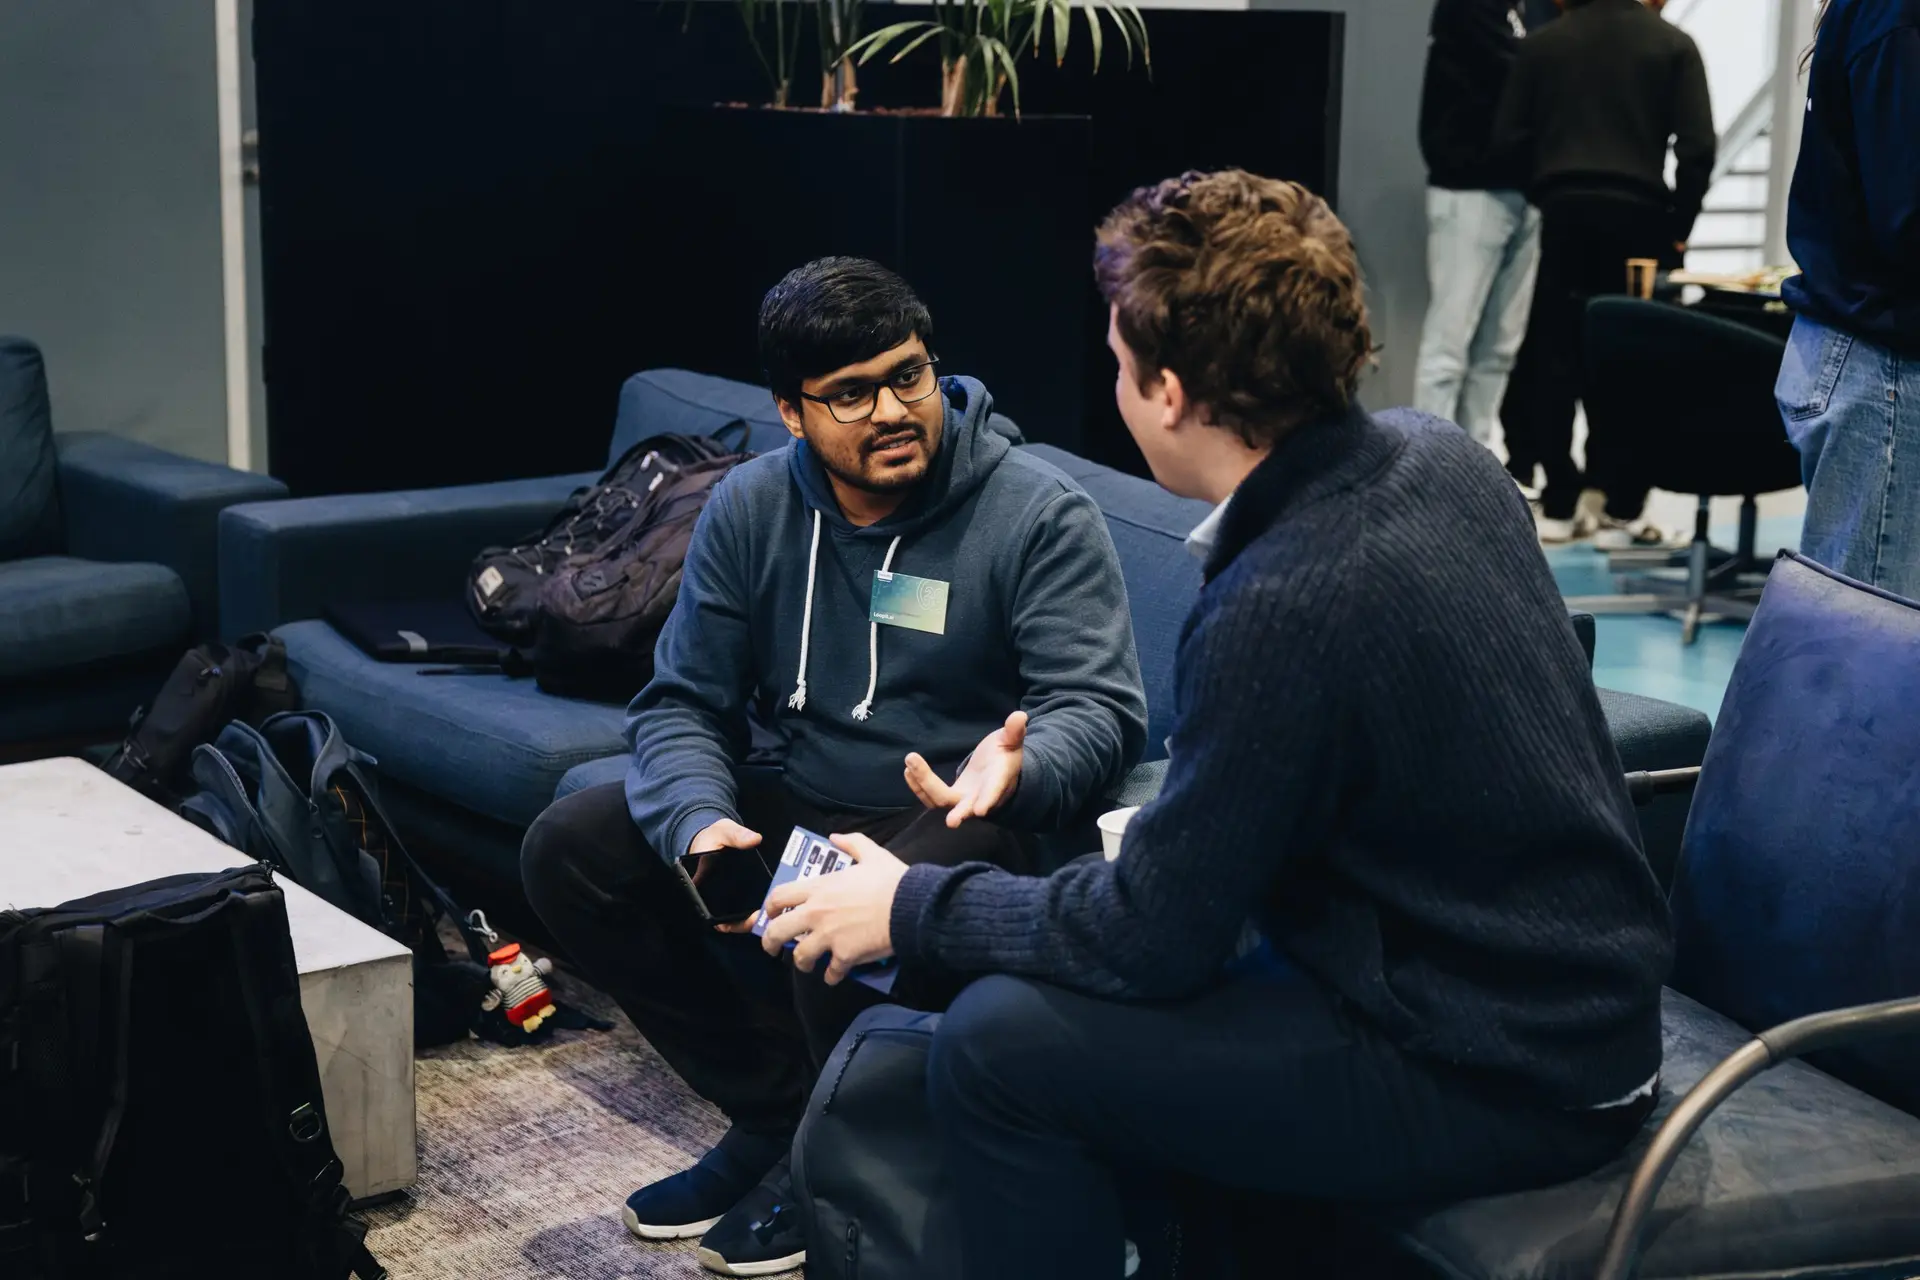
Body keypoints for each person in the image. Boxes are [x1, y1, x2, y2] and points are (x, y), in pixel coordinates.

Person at [753, 170, 1671, 1280]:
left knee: (998, 1048)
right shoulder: (1438, 456)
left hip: (1498, 1071)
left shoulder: (1285, 597)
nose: (1116, 387)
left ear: (1171, 392)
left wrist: (908, 906)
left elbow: (1150, 936)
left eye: (1119, 365)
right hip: (1562, 1015)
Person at [520, 257, 1147, 1276]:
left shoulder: (1037, 510)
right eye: (850, 394)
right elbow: (682, 701)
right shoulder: (752, 506)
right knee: (571, 847)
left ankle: (834, 1162)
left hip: (967, 818)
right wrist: (699, 819)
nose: (893, 410)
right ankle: (780, 1121)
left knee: (858, 906)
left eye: (908, 376)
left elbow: (1101, 710)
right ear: (791, 412)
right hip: (812, 792)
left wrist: (1021, 766)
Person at [1492, 0, 1715, 543]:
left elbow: (1507, 142)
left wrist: (1544, 189)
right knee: (1629, 358)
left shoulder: (1543, 45)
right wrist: (1678, 226)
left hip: (1563, 212)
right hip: (1641, 221)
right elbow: (1698, 149)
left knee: (1553, 356)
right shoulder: (1672, 44)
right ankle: (1618, 498)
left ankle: (1560, 496)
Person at [1776, 0, 1920, 600]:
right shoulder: (1897, 18)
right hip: (1883, 367)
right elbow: (1909, 218)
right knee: (1868, 633)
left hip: (1871, 358)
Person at [1412, 0, 1542, 456]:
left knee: (1499, 349)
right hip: (1469, 191)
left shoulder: (1530, 12)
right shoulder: (1466, 7)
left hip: (1527, 190)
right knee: (1449, 346)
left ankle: (1476, 462)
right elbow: (1522, 72)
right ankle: (1430, 466)